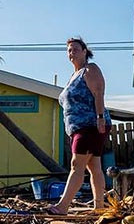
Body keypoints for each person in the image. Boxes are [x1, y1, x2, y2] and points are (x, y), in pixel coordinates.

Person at [48, 37, 113, 215]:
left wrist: (100, 117)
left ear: (85, 51)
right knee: (94, 166)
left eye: (76, 49)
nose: (72, 52)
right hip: (78, 127)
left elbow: (98, 92)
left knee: (77, 164)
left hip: (90, 124)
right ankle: (99, 207)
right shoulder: (73, 76)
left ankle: (62, 206)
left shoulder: (90, 69)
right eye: (69, 50)